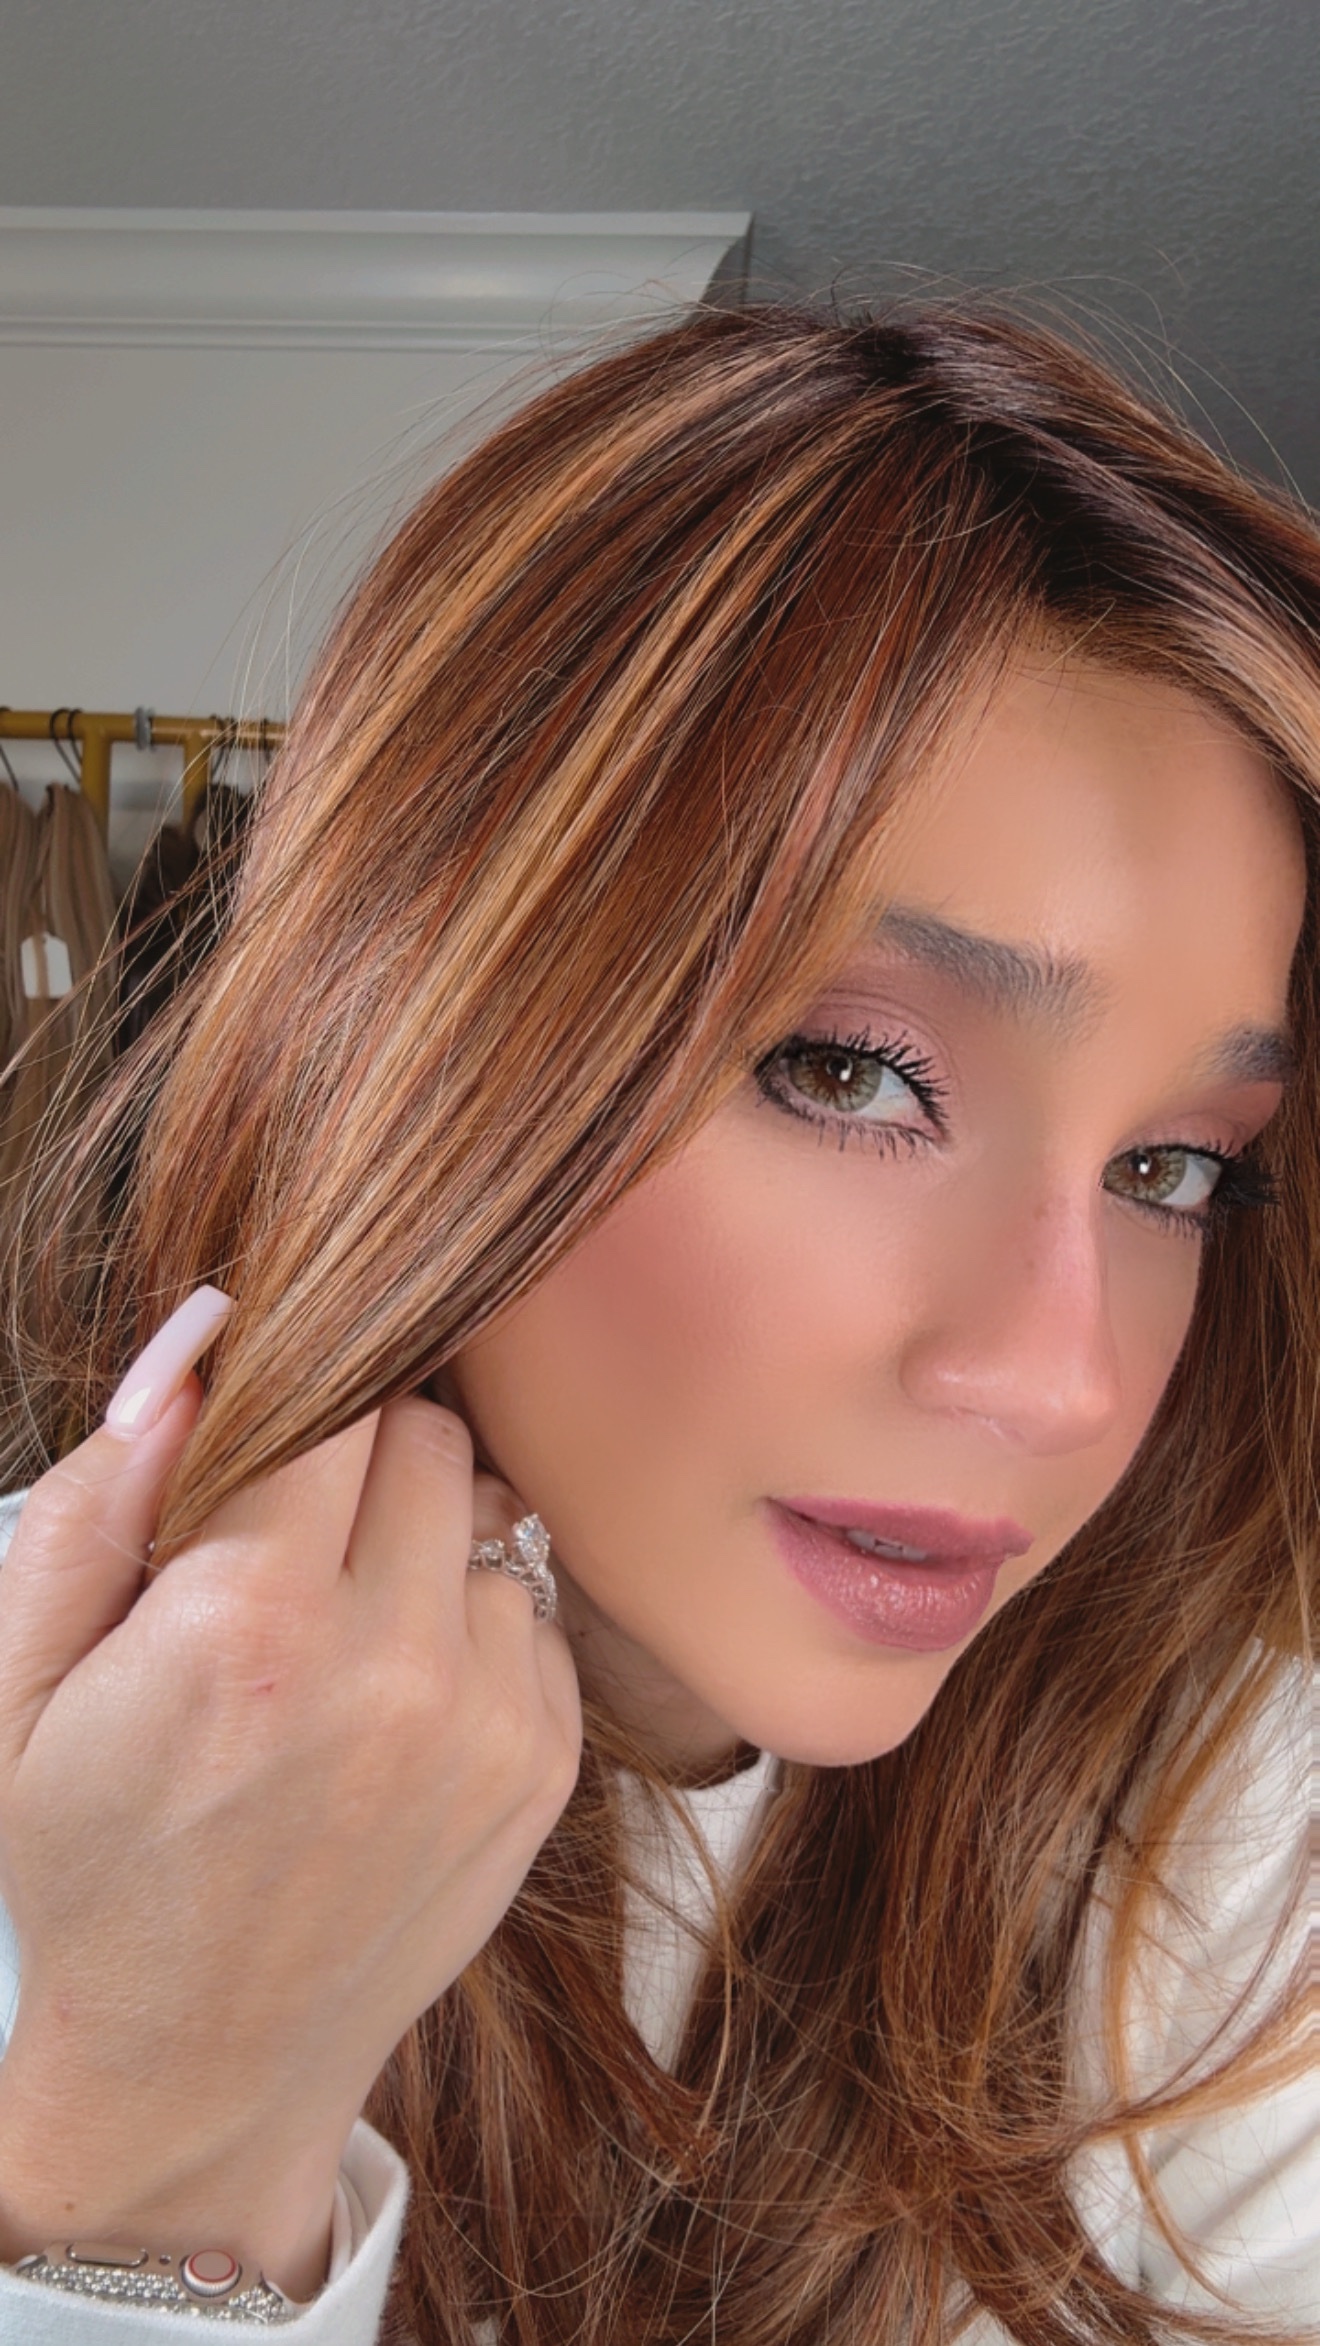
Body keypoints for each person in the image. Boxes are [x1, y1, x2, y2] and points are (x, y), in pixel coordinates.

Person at [0, 300, 1313, 2346]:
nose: (1059, 1379)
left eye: (1175, 1170)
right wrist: (161, 2144)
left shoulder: (1239, 1837)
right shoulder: (49, 1736)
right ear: (418, 1031)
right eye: (854, 1073)